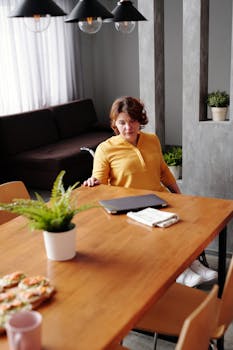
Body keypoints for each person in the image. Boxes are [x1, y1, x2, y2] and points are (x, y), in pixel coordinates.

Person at [83, 96, 217, 287]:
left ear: (140, 120)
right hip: (130, 207)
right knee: (164, 226)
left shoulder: (152, 140)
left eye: (133, 121)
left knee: (186, 221)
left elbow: (163, 171)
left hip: (158, 198)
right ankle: (179, 271)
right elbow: (101, 184)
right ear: (115, 123)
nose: (128, 127)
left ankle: (193, 263)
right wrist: (93, 182)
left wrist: (180, 196)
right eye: (122, 122)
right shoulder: (106, 149)